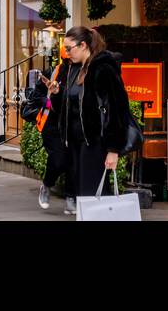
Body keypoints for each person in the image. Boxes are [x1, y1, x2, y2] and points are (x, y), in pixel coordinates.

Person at [44, 26, 133, 216]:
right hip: (76, 143)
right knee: (87, 200)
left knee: (93, 196)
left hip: (96, 143)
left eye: (69, 48)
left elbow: (116, 110)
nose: (66, 53)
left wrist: (113, 150)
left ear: (83, 45)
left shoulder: (103, 69)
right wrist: (58, 95)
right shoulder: (72, 70)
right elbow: (67, 108)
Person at [23, 55, 68, 210]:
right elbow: (34, 95)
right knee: (58, 158)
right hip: (51, 124)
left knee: (73, 160)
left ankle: (72, 197)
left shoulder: (84, 73)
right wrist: (49, 101)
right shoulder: (53, 72)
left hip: (72, 123)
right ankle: (47, 185)